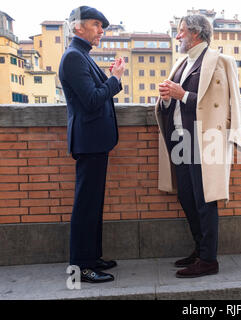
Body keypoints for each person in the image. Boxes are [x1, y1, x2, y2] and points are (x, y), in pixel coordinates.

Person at [156, 14, 241, 278]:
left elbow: (218, 105)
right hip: (180, 140)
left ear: (195, 33)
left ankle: (208, 260)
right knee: (186, 196)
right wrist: (166, 99)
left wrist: (181, 94)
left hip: (204, 141)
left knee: (205, 200)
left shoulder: (219, 62)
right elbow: (174, 102)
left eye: (181, 31)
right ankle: (199, 250)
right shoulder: (183, 63)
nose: (178, 36)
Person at [59, 6, 125, 283]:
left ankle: (92, 257)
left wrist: (108, 79)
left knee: (93, 203)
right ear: (78, 28)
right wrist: (116, 79)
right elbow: (92, 100)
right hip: (89, 142)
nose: (102, 31)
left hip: (94, 142)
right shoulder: (74, 58)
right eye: (97, 25)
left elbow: (94, 92)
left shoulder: (81, 56)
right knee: (86, 205)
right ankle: (81, 267)